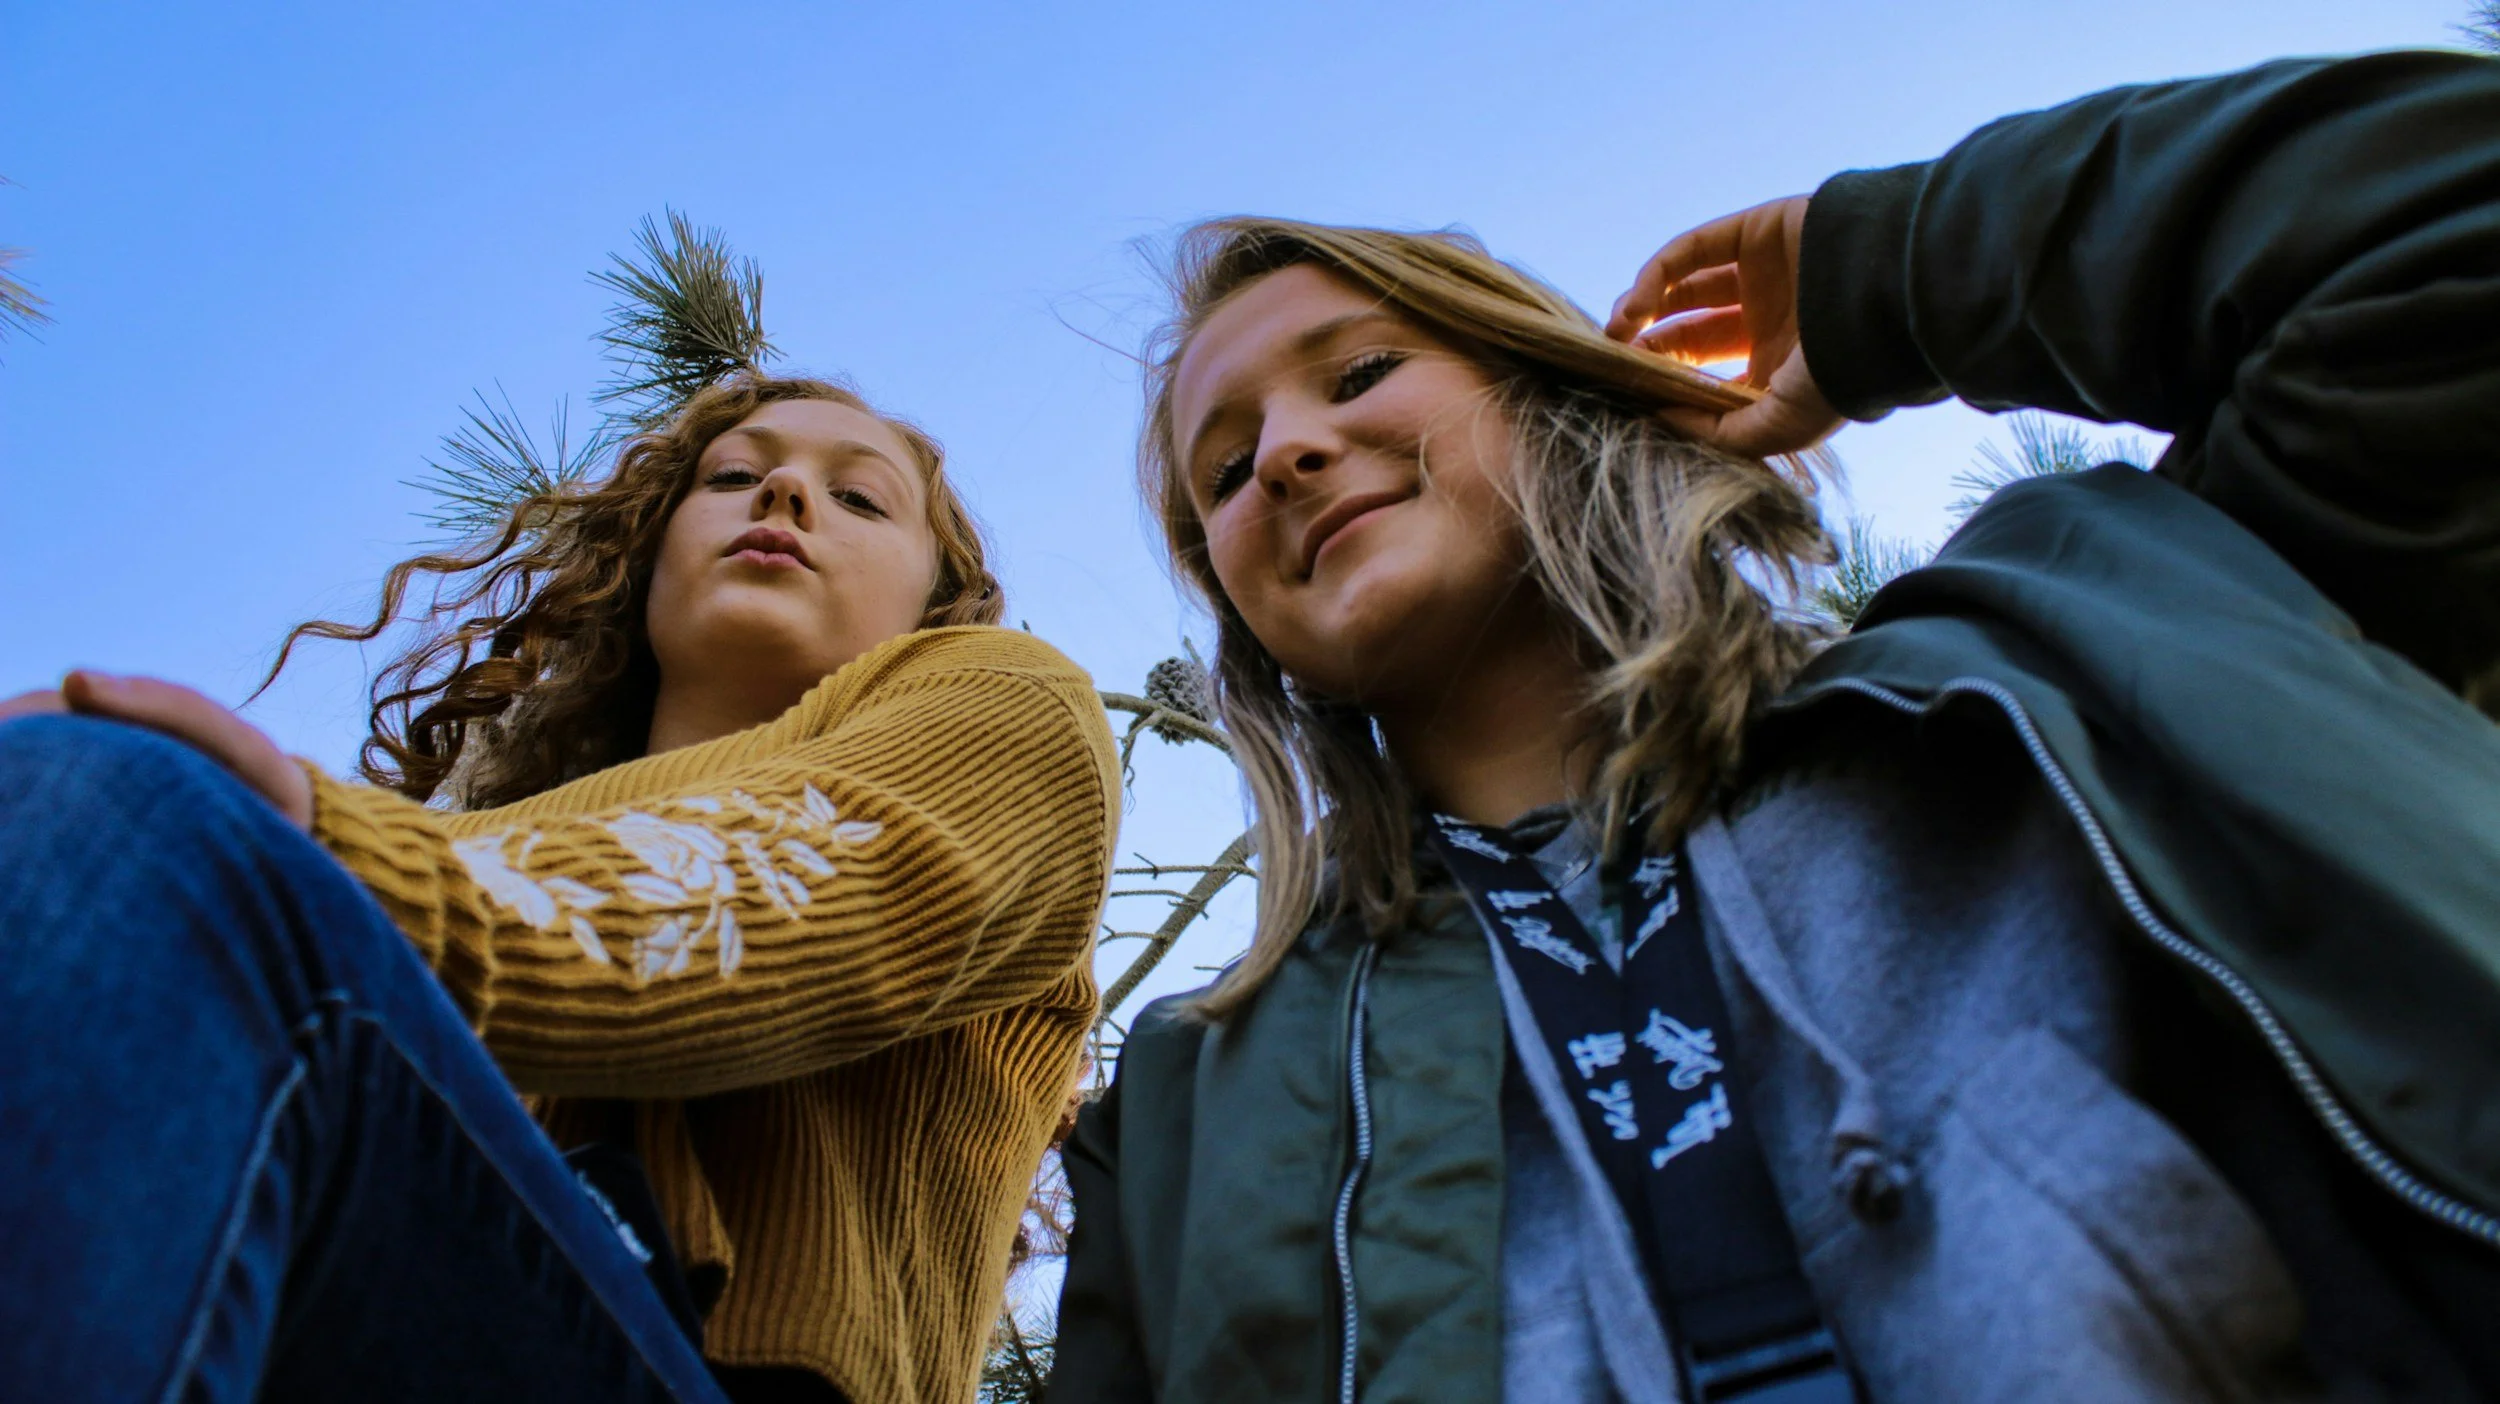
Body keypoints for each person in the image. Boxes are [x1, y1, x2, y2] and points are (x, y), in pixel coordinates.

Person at [1051, 50, 2500, 1404]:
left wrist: (1888, 274)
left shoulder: (2076, 653)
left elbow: (2451, 213)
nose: (1291, 455)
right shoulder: (1188, 1108)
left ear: (1557, 400)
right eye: (1226, 471)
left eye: (1360, 374)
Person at [0, 373, 1123, 1404]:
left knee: (121, 817)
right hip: (363, 1309)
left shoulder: (1009, 707)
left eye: (861, 500)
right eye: (730, 477)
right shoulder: (472, 840)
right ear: (649, 557)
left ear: (938, 598)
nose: (781, 490)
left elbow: (794, 883)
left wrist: (287, 859)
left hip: (702, 1368)